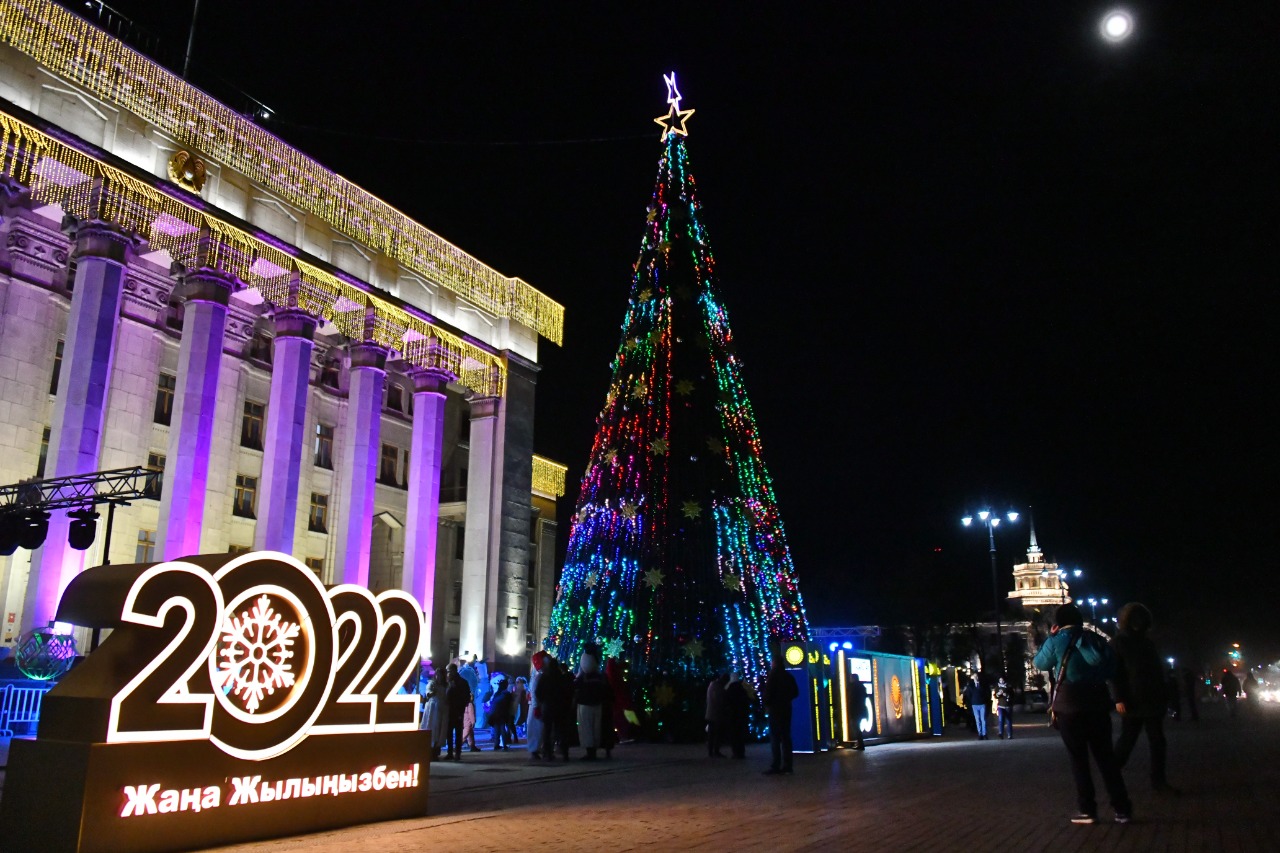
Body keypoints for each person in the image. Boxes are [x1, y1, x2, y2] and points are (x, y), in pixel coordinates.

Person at [1034, 603, 1132, 825]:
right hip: (1097, 704)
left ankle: (1088, 810)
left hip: (1069, 707)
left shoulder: (1057, 639)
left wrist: (1051, 637)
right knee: (1106, 758)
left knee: (1079, 760)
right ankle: (1122, 808)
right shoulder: (1095, 638)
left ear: (1059, 622)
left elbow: (1039, 663)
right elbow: (1111, 668)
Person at [1110, 602, 1174, 792]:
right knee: (1127, 740)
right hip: (1133, 699)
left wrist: (1164, 694)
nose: (1139, 623)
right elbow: (1116, 673)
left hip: (1153, 698)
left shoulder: (1147, 642)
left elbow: (1156, 670)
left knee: (1158, 741)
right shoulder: (1119, 642)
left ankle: (1159, 781)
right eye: (1135, 620)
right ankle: (1111, 775)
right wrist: (1119, 698)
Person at [762, 657, 798, 775]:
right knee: (786, 737)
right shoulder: (788, 676)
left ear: (774, 663)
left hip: (775, 710)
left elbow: (767, 694)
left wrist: (768, 703)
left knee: (775, 738)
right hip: (786, 709)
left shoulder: (773, 676)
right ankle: (788, 765)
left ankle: (776, 765)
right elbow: (795, 692)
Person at [573, 643, 610, 760]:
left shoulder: (582, 678)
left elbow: (575, 686)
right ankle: (593, 750)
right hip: (597, 704)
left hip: (585, 704)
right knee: (595, 728)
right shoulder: (600, 677)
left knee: (586, 728)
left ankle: (590, 751)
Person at [444, 664, 471, 761]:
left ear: (454, 671)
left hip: (457, 710)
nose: (448, 673)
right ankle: (450, 752)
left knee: (457, 732)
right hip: (450, 710)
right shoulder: (448, 682)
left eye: (449, 671)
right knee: (449, 732)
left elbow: (466, 697)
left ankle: (457, 753)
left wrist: (461, 707)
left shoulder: (462, 682)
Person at [421, 669, 448, 761]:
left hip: (442, 709)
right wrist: (432, 692)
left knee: (440, 730)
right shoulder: (432, 684)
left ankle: (436, 751)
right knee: (432, 728)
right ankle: (431, 751)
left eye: (441, 675)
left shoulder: (446, 685)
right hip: (433, 709)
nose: (439, 677)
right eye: (438, 675)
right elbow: (428, 693)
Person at [725, 672, 750, 759]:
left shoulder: (729, 688)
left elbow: (726, 701)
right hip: (741, 715)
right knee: (740, 734)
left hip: (732, 715)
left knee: (734, 734)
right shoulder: (742, 688)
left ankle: (735, 752)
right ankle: (741, 752)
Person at [705, 673, 727, 757]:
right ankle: (715, 751)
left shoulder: (712, 686)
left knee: (711, 733)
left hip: (710, 713)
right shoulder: (718, 687)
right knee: (716, 733)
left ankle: (711, 751)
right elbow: (719, 700)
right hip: (716, 713)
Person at [489, 678, 513, 750]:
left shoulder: (497, 693)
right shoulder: (507, 694)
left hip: (495, 713)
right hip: (502, 713)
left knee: (497, 729)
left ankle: (496, 744)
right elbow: (509, 705)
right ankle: (505, 745)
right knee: (503, 729)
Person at [848, 673, 868, 750]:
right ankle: (860, 743)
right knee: (857, 726)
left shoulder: (853, 687)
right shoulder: (862, 686)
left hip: (855, 710)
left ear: (853, 679)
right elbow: (865, 696)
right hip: (861, 709)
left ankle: (860, 744)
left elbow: (852, 700)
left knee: (856, 727)